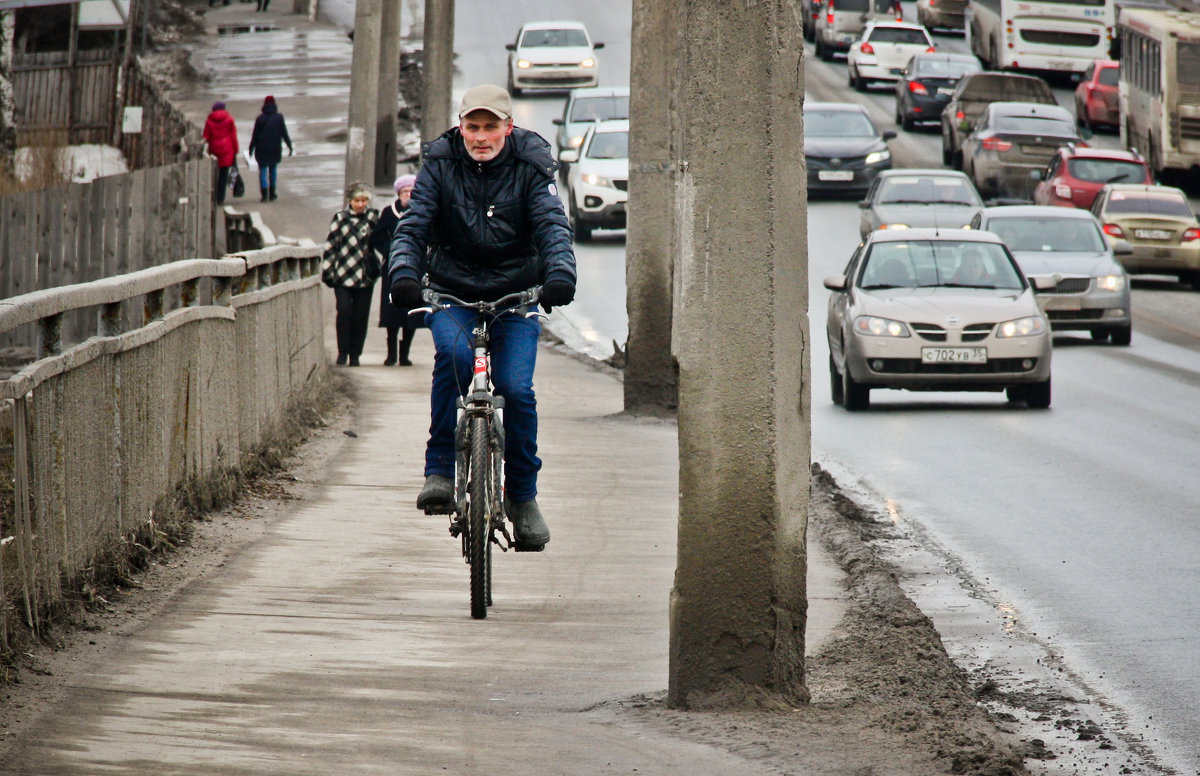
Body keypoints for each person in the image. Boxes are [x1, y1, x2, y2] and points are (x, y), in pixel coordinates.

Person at [387, 83, 577, 551]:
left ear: (508, 129)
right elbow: (414, 224)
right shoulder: (439, 165)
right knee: (452, 358)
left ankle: (522, 497)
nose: (481, 136)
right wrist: (405, 273)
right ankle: (439, 469)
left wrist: (559, 274)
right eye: (473, 126)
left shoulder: (532, 166)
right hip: (452, 290)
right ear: (460, 127)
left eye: (491, 126)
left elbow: (552, 223)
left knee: (516, 388)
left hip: (515, 293)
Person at [321, 182, 381, 367]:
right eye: (357, 200)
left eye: (364, 200)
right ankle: (342, 352)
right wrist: (328, 271)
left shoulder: (373, 217)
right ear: (350, 201)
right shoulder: (340, 218)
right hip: (343, 274)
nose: (361, 204)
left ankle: (355, 354)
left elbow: (384, 237)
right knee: (344, 312)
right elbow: (331, 246)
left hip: (365, 276)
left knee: (361, 316)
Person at [370, 174, 422, 366]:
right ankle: (391, 353)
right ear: (399, 194)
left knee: (412, 311)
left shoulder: (422, 212)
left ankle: (405, 354)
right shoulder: (389, 213)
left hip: (415, 268)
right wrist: (390, 251)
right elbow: (376, 237)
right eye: (405, 192)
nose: (408, 194)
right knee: (392, 311)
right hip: (392, 268)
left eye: (411, 191)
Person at [247, 95, 293, 202]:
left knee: (263, 171)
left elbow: (255, 135)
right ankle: (272, 193)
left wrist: (251, 149)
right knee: (273, 170)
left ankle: (264, 195)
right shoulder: (279, 118)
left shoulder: (260, 119)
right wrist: (289, 146)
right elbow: (284, 133)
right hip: (275, 148)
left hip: (262, 148)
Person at [202, 101, 238, 206]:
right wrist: (235, 151)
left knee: (213, 174)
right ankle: (220, 199)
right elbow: (233, 137)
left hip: (214, 150)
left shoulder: (209, 121)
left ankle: (213, 196)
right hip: (227, 149)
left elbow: (206, 136)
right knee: (223, 175)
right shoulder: (229, 120)